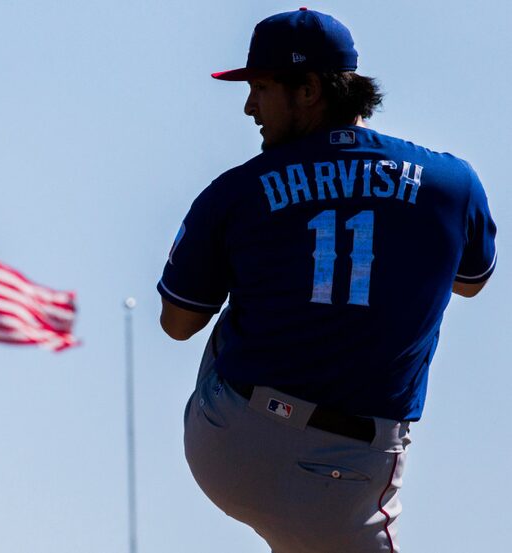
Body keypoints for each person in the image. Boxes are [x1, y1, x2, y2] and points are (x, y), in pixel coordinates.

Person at [156, 8, 497, 553]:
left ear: (309, 89)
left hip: (227, 442)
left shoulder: (235, 191)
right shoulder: (452, 184)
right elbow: (471, 281)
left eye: (261, 88)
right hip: (346, 471)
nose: (249, 107)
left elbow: (178, 322)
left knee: (237, 309)